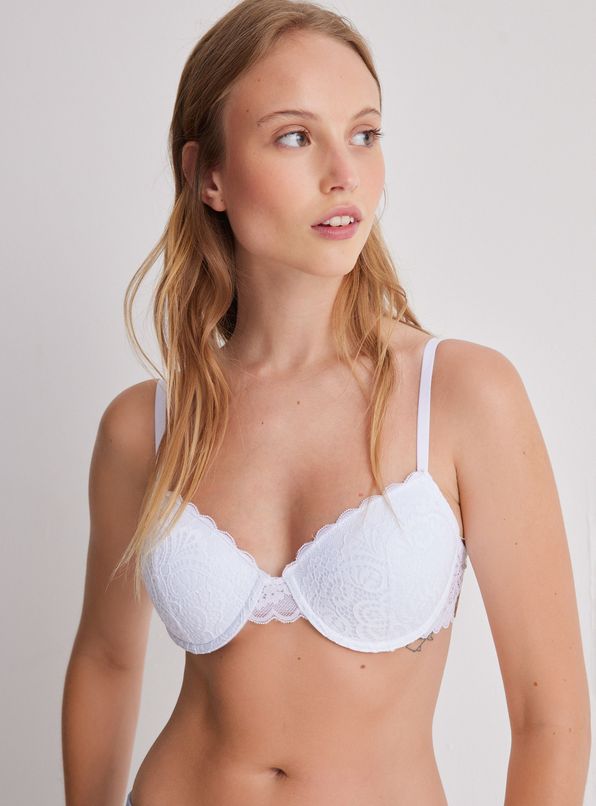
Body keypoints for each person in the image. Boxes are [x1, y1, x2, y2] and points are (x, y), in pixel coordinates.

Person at [61, 1, 591, 804]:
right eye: (295, 137)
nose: (345, 173)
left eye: (365, 133)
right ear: (208, 176)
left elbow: (551, 718)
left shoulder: (462, 396)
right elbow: (106, 660)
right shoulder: (145, 428)